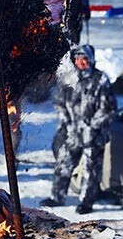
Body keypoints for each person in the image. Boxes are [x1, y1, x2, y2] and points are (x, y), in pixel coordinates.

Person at [41, 45, 116, 214]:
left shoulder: (100, 80)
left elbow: (108, 109)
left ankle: (86, 202)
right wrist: (65, 124)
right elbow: (60, 103)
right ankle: (57, 196)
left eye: (84, 58)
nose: (81, 62)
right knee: (63, 163)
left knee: (91, 169)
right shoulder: (70, 80)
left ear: (90, 59)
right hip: (72, 132)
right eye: (77, 58)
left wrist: (93, 126)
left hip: (93, 134)